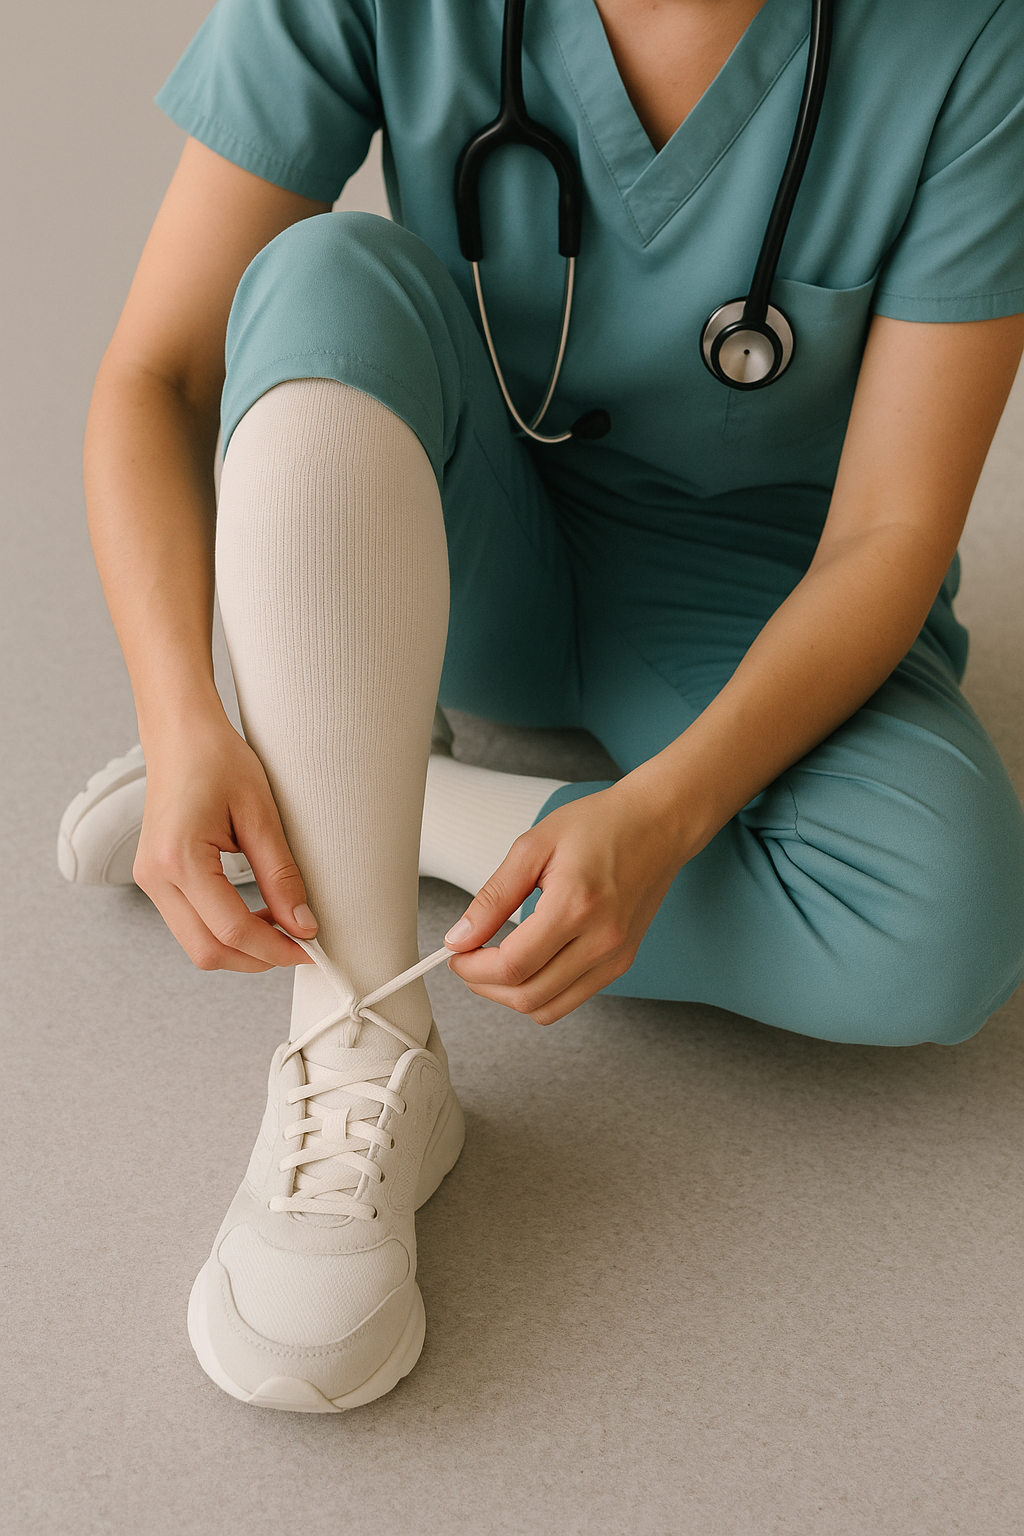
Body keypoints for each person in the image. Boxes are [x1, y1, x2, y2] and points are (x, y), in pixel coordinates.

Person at [65, 0, 1024, 1412]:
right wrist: (178, 706)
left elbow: (887, 535)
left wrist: (663, 813)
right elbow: (159, 376)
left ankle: (356, 800)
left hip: (758, 589)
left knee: (940, 924)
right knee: (324, 272)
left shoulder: (973, 38)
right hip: (456, 540)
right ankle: (360, 1031)